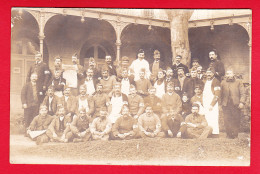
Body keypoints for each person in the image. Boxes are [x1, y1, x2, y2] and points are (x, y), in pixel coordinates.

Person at [221, 68, 246, 139]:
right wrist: (221, 104)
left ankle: (235, 135)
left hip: (236, 104)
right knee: (226, 119)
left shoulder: (238, 82)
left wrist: (241, 102)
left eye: (230, 73)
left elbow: (243, 93)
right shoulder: (223, 82)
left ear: (233, 74)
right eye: (227, 74)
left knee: (236, 119)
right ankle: (228, 135)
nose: (229, 75)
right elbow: (220, 94)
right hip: (226, 104)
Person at [202, 67, 221, 137]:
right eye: (208, 73)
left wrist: (212, 104)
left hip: (212, 104)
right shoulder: (206, 81)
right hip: (206, 103)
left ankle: (215, 133)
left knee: (214, 117)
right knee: (207, 117)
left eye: (210, 73)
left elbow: (217, 94)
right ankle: (208, 133)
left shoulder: (216, 81)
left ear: (213, 74)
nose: (209, 74)